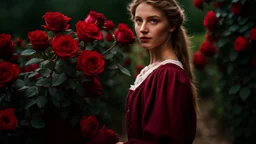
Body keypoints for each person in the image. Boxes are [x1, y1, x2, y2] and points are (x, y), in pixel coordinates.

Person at [117, 0, 198, 144]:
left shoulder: (169, 76)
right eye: (138, 20)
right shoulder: (153, 71)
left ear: (172, 25)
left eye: (153, 21)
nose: (143, 29)